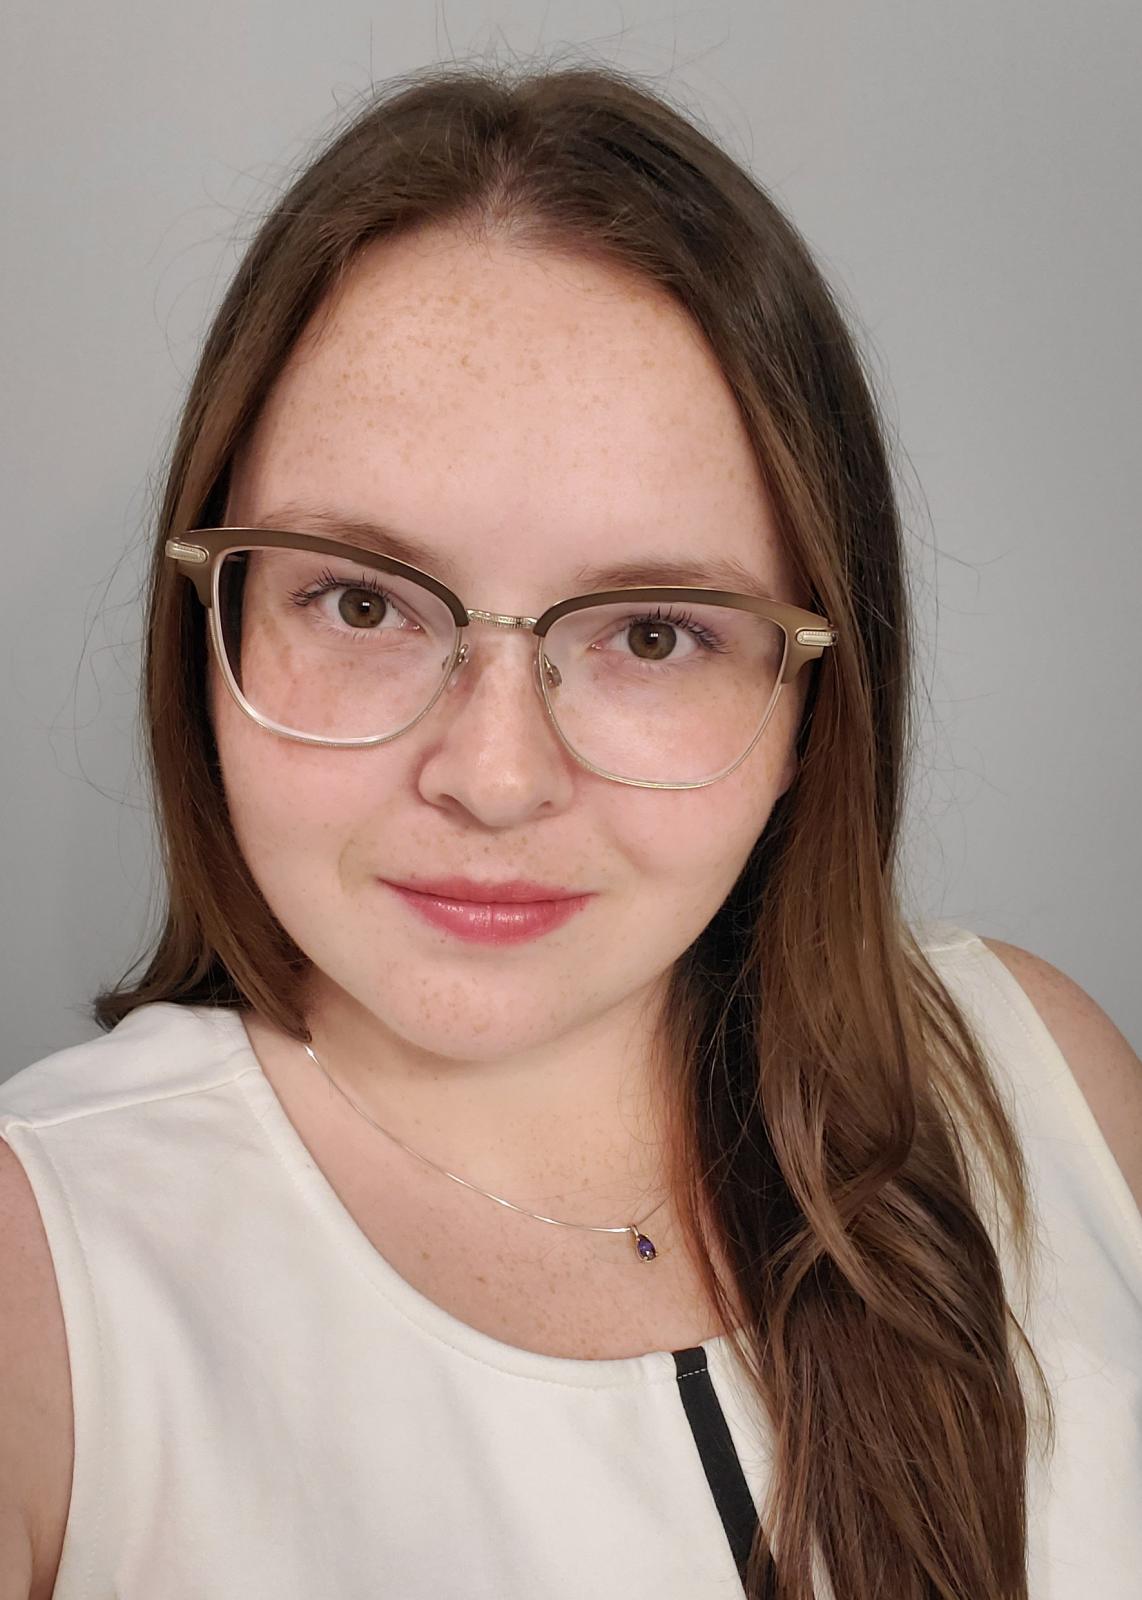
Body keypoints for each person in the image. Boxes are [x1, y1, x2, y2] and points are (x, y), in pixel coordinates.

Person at [1, 60, 1139, 1600]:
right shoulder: (41, 1284)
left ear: (814, 695)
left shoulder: (1038, 1075)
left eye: (653, 633)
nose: (492, 774)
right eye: (359, 600)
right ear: (209, 630)